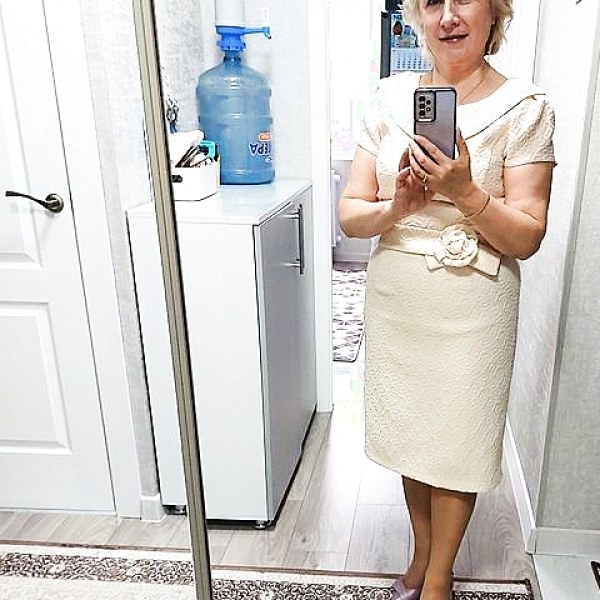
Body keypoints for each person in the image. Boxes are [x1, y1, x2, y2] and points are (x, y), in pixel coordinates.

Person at [339, 1, 555, 600]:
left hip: (476, 300)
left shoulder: (526, 107)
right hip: (399, 297)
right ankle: (422, 556)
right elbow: (351, 215)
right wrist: (396, 207)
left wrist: (463, 190)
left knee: (457, 440)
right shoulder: (385, 100)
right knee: (412, 434)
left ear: (495, 12)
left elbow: (527, 236)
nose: (449, 15)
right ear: (415, 15)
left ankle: (439, 579)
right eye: (433, 1)